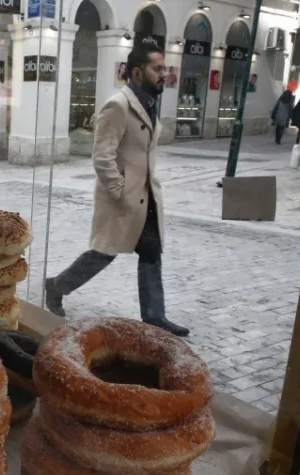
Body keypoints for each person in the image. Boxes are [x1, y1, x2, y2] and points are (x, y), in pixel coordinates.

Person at [44, 44, 189, 337]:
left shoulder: (148, 101)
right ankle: (55, 287)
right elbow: (101, 156)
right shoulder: (118, 106)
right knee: (102, 255)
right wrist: (119, 190)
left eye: (164, 68)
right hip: (123, 199)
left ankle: (155, 317)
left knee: (152, 253)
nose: (164, 74)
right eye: (157, 69)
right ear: (137, 72)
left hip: (146, 197)